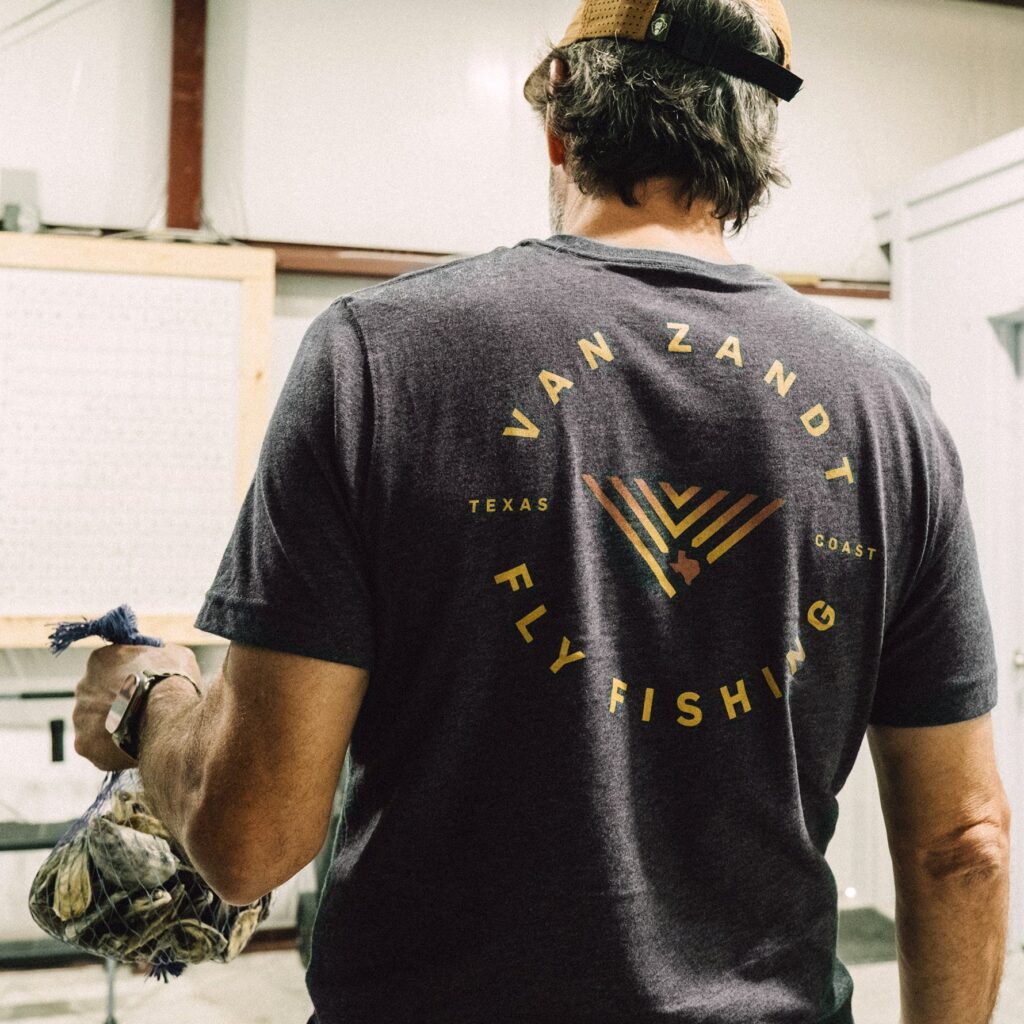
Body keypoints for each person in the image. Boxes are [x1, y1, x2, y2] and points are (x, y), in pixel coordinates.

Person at [72, 1, 1012, 1021]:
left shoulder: (379, 358)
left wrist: (148, 698)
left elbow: (249, 835)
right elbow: (964, 843)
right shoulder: (888, 410)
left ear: (559, 116)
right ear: (759, 143)